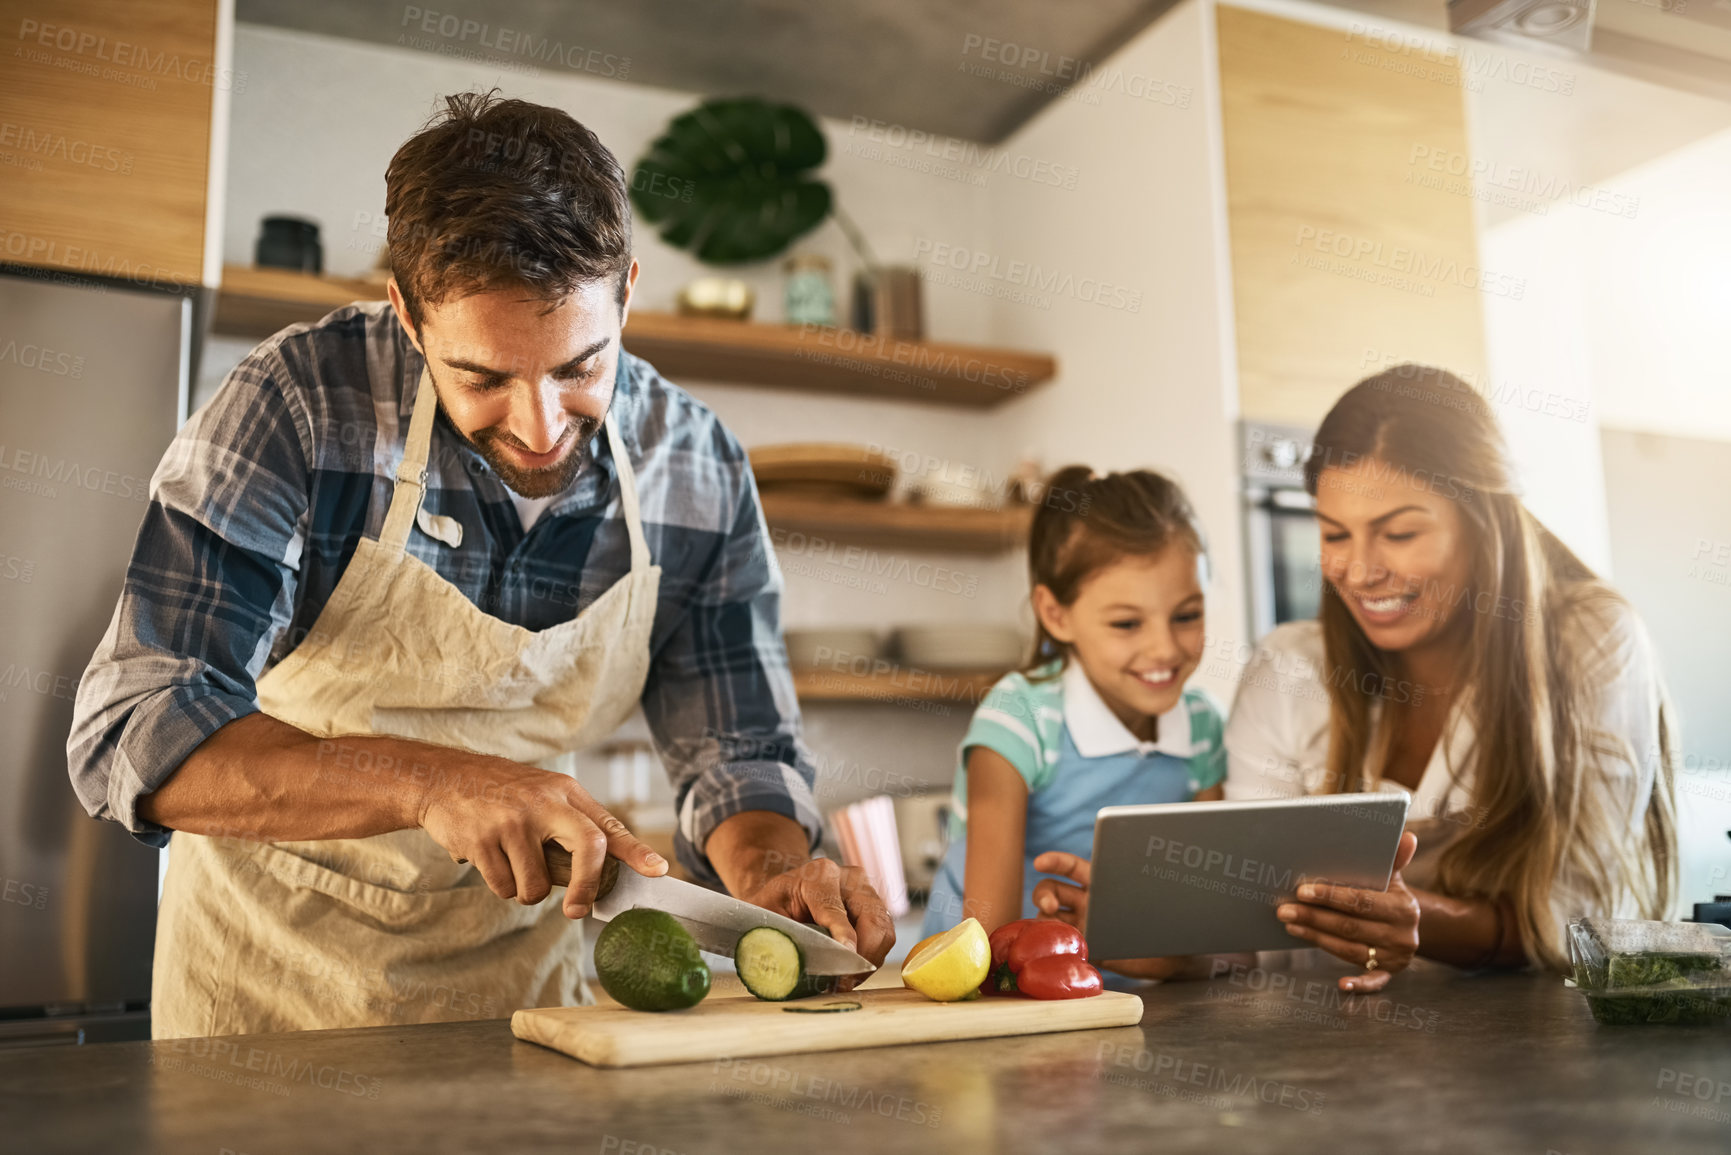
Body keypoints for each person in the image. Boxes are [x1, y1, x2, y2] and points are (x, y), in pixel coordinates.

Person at [66, 92, 892, 1039]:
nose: (539, 428)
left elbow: (739, 754)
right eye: (484, 378)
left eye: (580, 367)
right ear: (409, 318)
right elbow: (137, 724)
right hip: (271, 995)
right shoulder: (298, 404)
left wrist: (773, 872)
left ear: (625, 291)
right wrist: (433, 781)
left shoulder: (693, 468)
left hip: (535, 993)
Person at [1221, 363, 1677, 985]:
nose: (1359, 570)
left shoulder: (1587, 642)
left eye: (1400, 532)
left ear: (1483, 521)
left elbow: (1582, 917)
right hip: (1325, 1056)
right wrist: (1172, 943)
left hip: (1535, 1056)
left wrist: (1421, 922)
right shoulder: (1287, 668)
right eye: (1334, 534)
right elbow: (1255, 928)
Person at [920, 467, 1229, 962]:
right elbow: (988, 949)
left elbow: (1208, 930)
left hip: (1133, 989)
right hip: (997, 990)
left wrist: (1143, 954)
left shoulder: (1203, 724)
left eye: (1187, 615)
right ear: (1056, 614)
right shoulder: (1019, 718)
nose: (1165, 648)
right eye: (1127, 623)